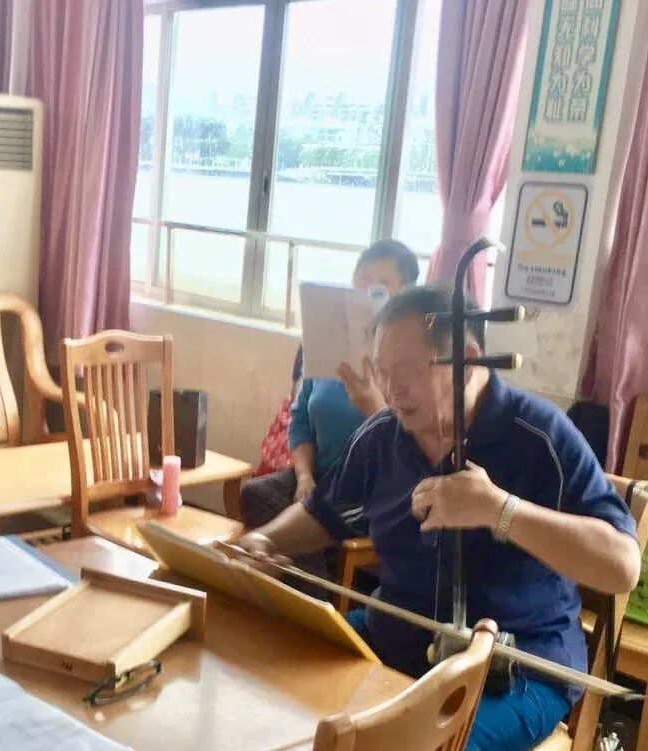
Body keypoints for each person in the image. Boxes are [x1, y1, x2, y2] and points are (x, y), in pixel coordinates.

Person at [238, 285, 641, 750]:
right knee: (270, 686)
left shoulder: (540, 435)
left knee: (423, 744)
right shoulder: (382, 435)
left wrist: (499, 509)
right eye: (383, 373)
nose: (392, 391)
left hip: (514, 667)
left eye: (408, 372)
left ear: (467, 361)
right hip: (398, 634)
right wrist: (266, 541)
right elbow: (325, 514)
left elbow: (621, 565)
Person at [238, 240, 420, 566]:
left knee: (320, 513)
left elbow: (409, 446)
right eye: (362, 282)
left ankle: (308, 589)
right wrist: (304, 477)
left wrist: (373, 404)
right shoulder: (326, 347)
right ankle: (299, 575)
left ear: (404, 296)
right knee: (256, 493)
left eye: (380, 287)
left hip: (372, 488)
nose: (367, 293)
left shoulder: (408, 363)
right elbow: (300, 420)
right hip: (319, 475)